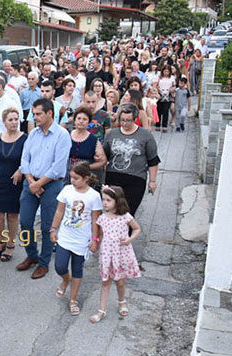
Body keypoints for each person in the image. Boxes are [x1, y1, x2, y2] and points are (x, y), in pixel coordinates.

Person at [18, 98, 72, 279]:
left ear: (50, 113)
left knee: (48, 225)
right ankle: (31, 255)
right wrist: (31, 181)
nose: (35, 117)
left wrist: (39, 184)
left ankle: (43, 262)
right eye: (34, 114)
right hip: (30, 182)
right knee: (25, 221)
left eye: (38, 114)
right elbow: (24, 160)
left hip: (51, 185)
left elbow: (58, 167)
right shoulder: (33, 134)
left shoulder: (62, 135)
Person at [50, 162, 102, 316]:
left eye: (76, 178)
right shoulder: (67, 190)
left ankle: (73, 300)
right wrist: (53, 228)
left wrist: (95, 239)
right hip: (65, 237)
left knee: (77, 269)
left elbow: (95, 220)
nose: (72, 181)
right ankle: (66, 280)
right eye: (71, 177)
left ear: (86, 178)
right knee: (60, 266)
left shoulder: (94, 196)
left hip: (82, 240)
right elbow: (59, 211)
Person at [90, 185, 142, 323]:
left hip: (121, 252)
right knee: (105, 281)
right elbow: (100, 235)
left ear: (117, 201)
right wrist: (95, 244)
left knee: (120, 281)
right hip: (107, 253)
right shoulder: (102, 218)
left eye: (108, 200)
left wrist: (129, 239)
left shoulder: (125, 216)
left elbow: (137, 229)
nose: (105, 203)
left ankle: (121, 301)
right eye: (104, 199)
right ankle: (101, 310)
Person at [103, 103, 160, 216]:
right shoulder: (112, 134)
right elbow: (105, 155)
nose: (125, 123)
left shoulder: (145, 135)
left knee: (128, 212)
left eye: (128, 120)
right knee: (112, 211)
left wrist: (152, 181)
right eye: (122, 120)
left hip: (136, 178)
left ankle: (127, 233)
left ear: (134, 119)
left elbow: (153, 160)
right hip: (113, 176)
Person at [0, 108, 27, 262]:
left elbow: (28, 158)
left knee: (12, 215)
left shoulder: (25, 138)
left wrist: (20, 170)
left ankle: (10, 245)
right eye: (10, 119)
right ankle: (0, 242)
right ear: (4, 122)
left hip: (15, 181)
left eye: (16, 119)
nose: (14, 122)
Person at [69, 107, 107, 179]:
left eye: (84, 119)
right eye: (79, 118)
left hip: (84, 177)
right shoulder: (66, 136)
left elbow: (103, 161)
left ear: (89, 122)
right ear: (75, 120)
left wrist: (87, 167)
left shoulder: (93, 140)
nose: (81, 121)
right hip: (66, 175)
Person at [155, 65, 175, 132]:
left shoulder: (172, 78)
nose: (166, 73)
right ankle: (158, 124)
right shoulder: (159, 77)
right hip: (160, 94)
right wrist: (157, 91)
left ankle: (164, 126)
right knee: (159, 110)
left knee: (166, 110)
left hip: (168, 94)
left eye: (167, 71)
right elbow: (155, 85)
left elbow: (174, 86)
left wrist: (172, 89)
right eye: (165, 71)